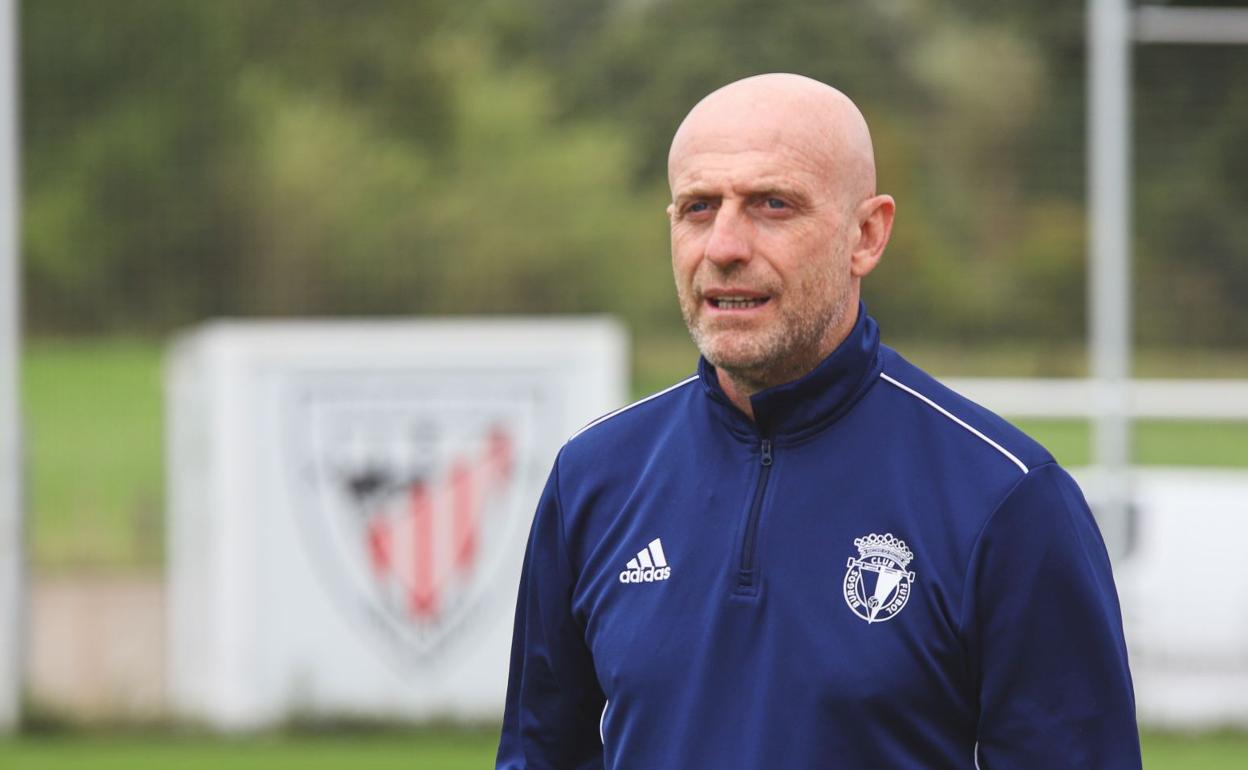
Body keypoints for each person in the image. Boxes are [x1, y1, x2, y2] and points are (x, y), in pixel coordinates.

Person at [496, 73, 1141, 769]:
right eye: (698, 208)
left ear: (867, 234)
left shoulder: (1006, 498)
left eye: (772, 204)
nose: (724, 246)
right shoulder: (593, 477)